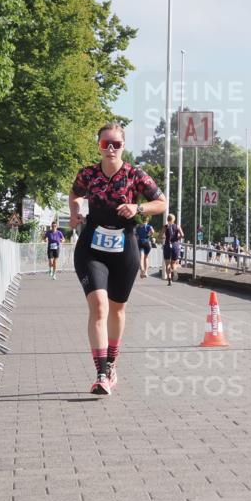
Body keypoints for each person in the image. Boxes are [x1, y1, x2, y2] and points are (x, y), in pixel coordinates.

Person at [71, 123, 167, 395]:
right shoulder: (88, 174)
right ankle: (101, 372)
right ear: (99, 146)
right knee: (99, 306)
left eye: (116, 144)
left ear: (124, 146)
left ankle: (112, 363)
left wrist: (138, 207)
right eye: (105, 144)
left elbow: (162, 203)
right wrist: (75, 211)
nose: (110, 148)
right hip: (92, 247)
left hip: (125, 246)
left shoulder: (136, 175)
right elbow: (75, 194)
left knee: (117, 309)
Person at [162, 214, 183, 286]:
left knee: (167, 264)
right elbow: (182, 235)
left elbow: (160, 236)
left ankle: (169, 281)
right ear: (174, 219)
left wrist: (165, 238)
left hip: (167, 244)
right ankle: (174, 269)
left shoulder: (165, 227)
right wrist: (176, 238)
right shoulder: (177, 226)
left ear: (167, 219)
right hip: (175, 245)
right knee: (173, 264)